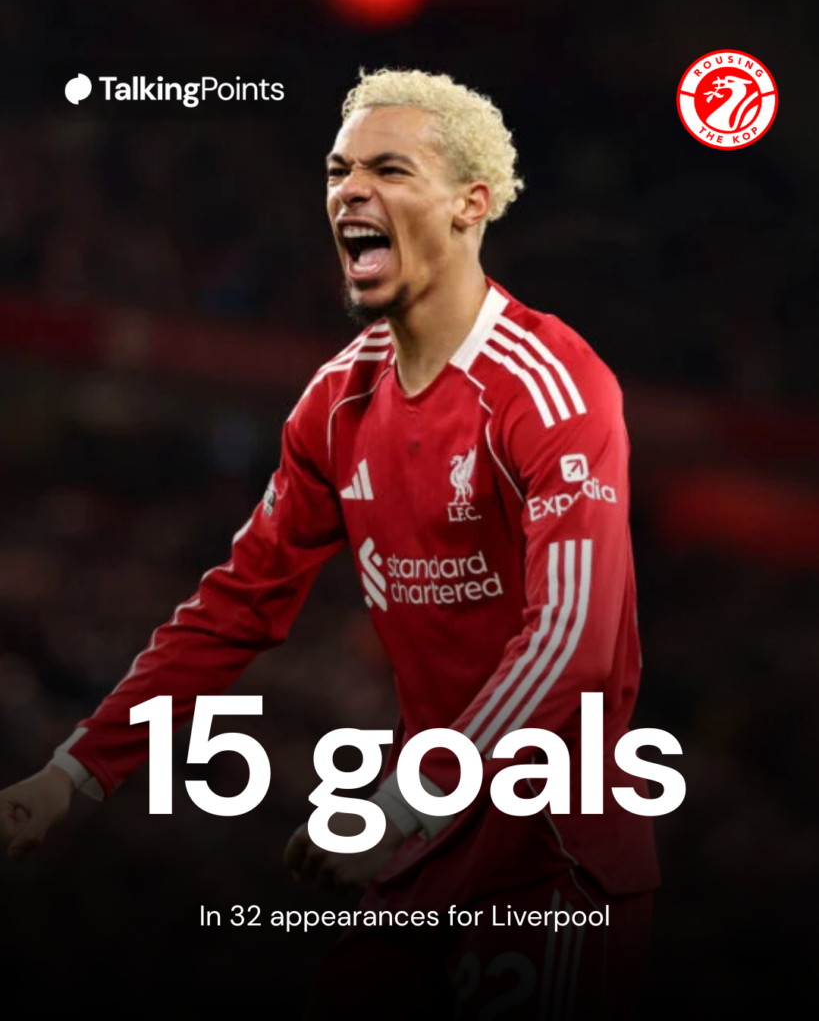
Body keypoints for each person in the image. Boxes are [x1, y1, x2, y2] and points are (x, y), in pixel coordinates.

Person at [0, 69, 659, 1017]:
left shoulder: (549, 384)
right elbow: (236, 603)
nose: (349, 190)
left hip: (547, 860)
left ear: (471, 204)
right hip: (414, 852)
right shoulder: (337, 400)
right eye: (338, 169)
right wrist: (73, 773)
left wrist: (403, 798)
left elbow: (573, 639)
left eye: (388, 168)